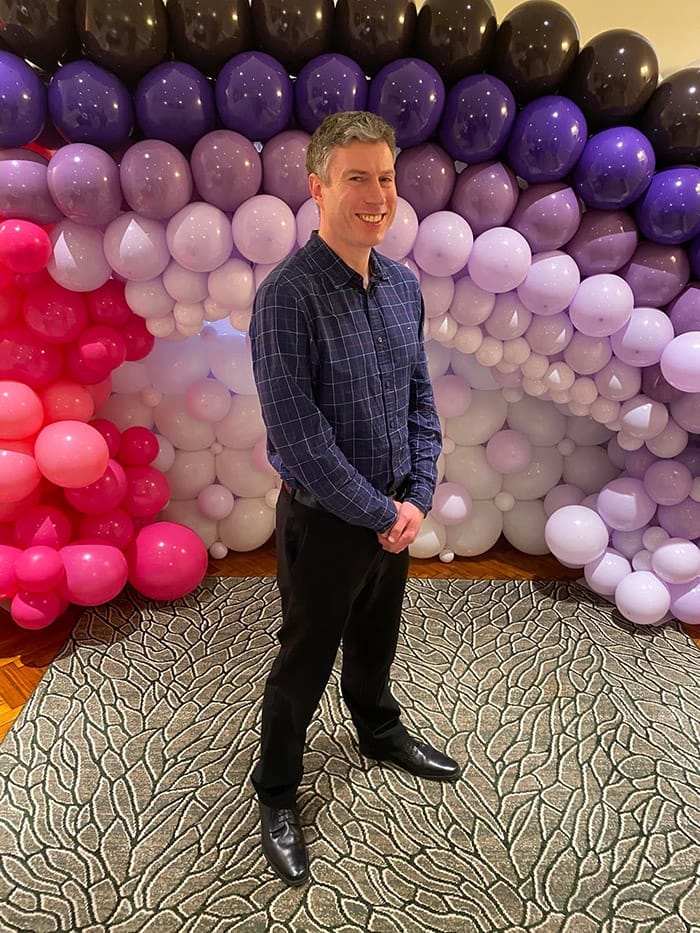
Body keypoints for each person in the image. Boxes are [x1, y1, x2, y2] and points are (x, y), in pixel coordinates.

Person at [249, 110, 460, 887]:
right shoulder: (286, 297)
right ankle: (276, 789)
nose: (377, 195)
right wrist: (382, 513)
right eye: (357, 178)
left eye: (386, 177)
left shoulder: (402, 285)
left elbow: (419, 398)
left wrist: (418, 495)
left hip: (394, 514)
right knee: (303, 660)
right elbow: (299, 437)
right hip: (326, 522)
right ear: (318, 188)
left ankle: (377, 728)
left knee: (376, 638)